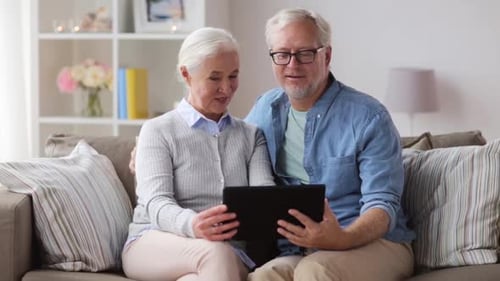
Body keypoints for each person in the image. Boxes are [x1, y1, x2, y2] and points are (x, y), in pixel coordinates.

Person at [244, 8, 415, 281]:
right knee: (263, 276)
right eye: (282, 54)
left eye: (305, 53)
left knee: (315, 271)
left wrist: (343, 238)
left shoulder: (369, 116)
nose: (292, 64)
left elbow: (382, 205)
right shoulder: (265, 109)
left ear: (327, 56)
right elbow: (234, 160)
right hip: (299, 249)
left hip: (376, 243)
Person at [121, 27, 275, 281]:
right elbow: (156, 203)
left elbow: (263, 202)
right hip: (154, 243)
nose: (226, 88)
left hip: (227, 252)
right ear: (186, 74)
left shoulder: (251, 136)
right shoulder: (157, 130)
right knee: (215, 254)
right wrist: (193, 225)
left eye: (233, 76)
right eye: (215, 78)